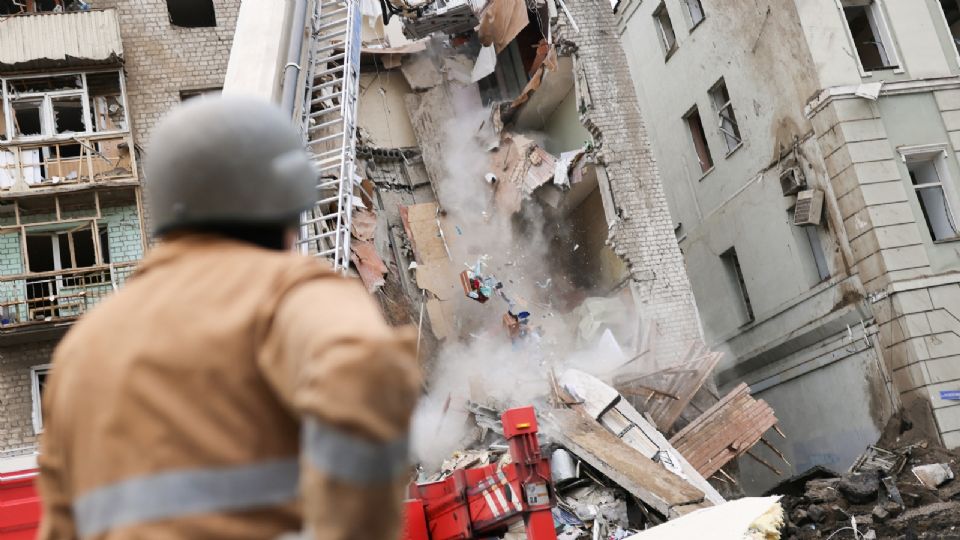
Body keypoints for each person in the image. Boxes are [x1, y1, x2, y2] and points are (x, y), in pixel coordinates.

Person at [36, 96, 421, 539]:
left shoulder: (79, 354)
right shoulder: (289, 294)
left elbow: (59, 525)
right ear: (277, 205)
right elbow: (365, 381)